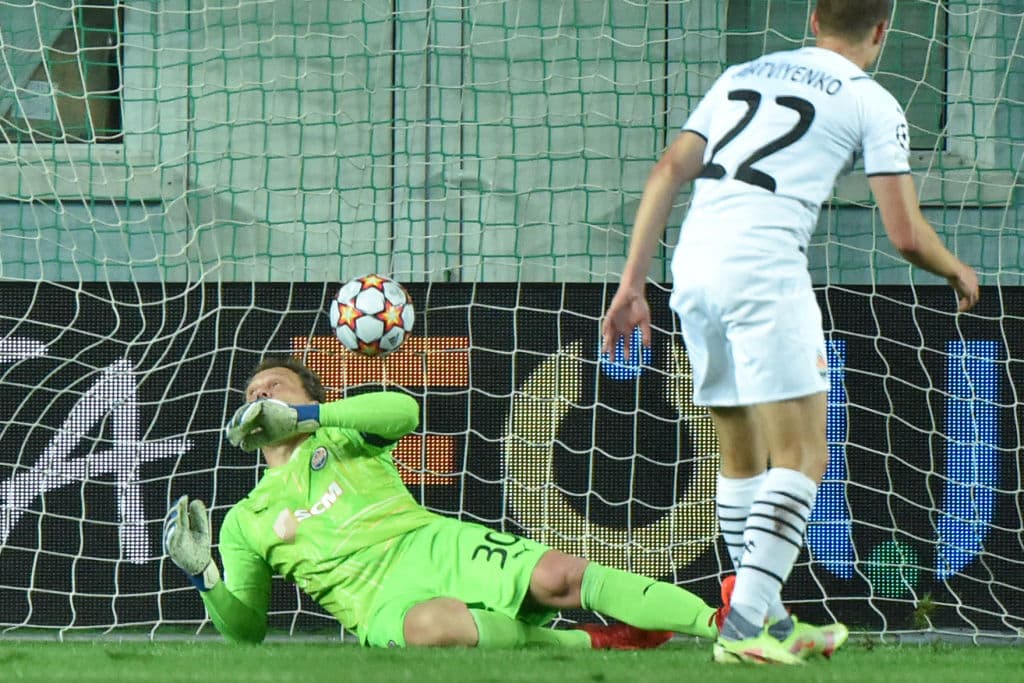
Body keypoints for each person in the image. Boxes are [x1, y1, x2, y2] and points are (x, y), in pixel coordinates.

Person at [601, 0, 979, 666]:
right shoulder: (872, 101)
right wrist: (957, 270)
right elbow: (905, 234)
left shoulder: (742, 75)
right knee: (804, 457)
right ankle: (742, 623)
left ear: (811, 19)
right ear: (882, 30)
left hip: (694, 265)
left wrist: (632, 286)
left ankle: (769, 616)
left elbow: (668, 171)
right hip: (765, 270)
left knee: (742, 456)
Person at [163, 355, 726, 650]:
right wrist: (204, 576)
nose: (261, 396)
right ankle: (582, 642)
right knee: (440, 630)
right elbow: (248, 632)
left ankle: (720, 624)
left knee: (560, 576)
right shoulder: (243, 520)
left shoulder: (341, 435)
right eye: (252, 395)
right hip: (376, 602)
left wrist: (311, 420)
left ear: (311, 398)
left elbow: (404, 411)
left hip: (430, 543)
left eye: (277, 387)